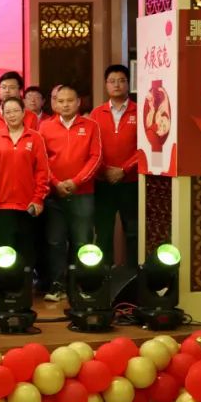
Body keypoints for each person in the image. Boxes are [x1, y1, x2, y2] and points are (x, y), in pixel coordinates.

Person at [0, 97, 50, 284]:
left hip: (28, 204)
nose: (12, 115)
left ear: (24, 112)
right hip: (2, 203)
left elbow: (42, 172)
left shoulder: (35, 137)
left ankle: (26, 287)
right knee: (6, 248)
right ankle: (8, 286)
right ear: (2, 115)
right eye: (7, 112)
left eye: (16, 111)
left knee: (28, 247)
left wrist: (38, 198)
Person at [39, 85, 102, 301]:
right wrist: (56, 182)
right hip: (53, 194)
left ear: (78, 102)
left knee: (82, 241)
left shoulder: (91, 126)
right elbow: (41, 160)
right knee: (54, 241)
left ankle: (81, 285)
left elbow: (95, 157)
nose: (65, 105)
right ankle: (58, 285)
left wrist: (76, 182)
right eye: (61, 101)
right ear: (55, 103)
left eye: (70, 101)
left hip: (82, 193)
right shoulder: (45, 127)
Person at [90, 64, 138, 266]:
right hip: (103, 182)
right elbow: (92, 148)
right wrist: (104, 170)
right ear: (106, 85)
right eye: (112, 81)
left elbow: (145, 148)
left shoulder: (141, 111)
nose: (116, 85)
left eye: (121, 80)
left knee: (134, 231)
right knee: (103, 233)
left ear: (128, 83)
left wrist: (124, 170)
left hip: (131, 182)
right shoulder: (96, 113)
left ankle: (134, 274)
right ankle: (105, 275)